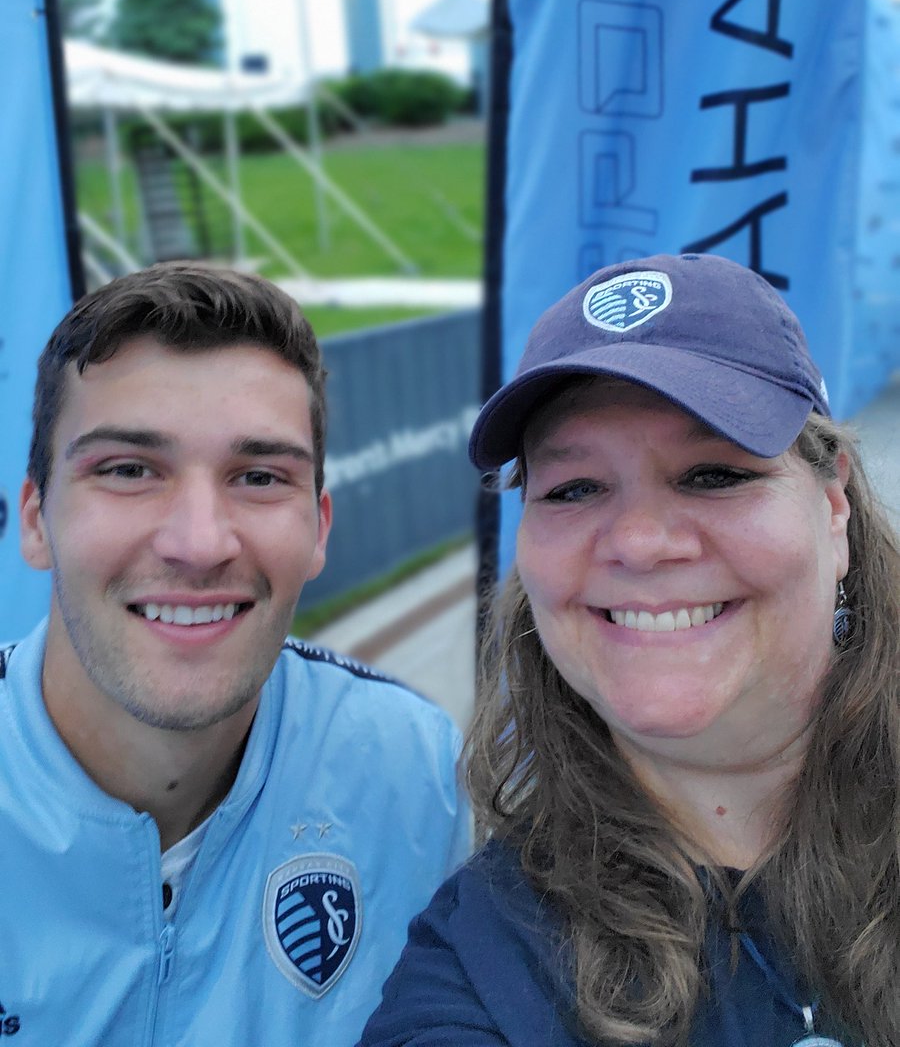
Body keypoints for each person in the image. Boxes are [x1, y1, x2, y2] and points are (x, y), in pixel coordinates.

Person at [359, 252, 900, 1047]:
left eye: (714, 474)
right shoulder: (482, 970)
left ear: (832, 507)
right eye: (573, 489)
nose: (641, 543)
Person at [0, 263, 469, 1045]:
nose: (199, 543)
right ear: (36, 519)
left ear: (319, 527)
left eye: (258, 476)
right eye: (127, 470)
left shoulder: (417, 778)